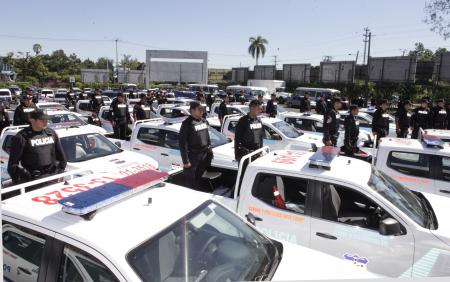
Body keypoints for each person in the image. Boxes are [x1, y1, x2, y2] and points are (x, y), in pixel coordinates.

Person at [7, 109, 66, 185]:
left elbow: (62, 157)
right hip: (33, 180)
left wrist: (60, 173)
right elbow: (12, 165)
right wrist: (19, 182)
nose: (45, 122)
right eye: (41, 119)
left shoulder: (51, 133)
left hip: (52, 177)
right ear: (32, 120)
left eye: (46, 119)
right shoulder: (21, 137)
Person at [179, 101, 213, 190]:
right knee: (190, 181)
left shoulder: (203, 121)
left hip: (203, 155)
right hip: (193, 156)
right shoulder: (187, 123)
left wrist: (210, 148)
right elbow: (183, 143)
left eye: (203, 109)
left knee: (199, 178)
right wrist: (186, 161)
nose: (202, 111)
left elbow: (207, 136)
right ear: (192, 110)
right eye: (199, 109)